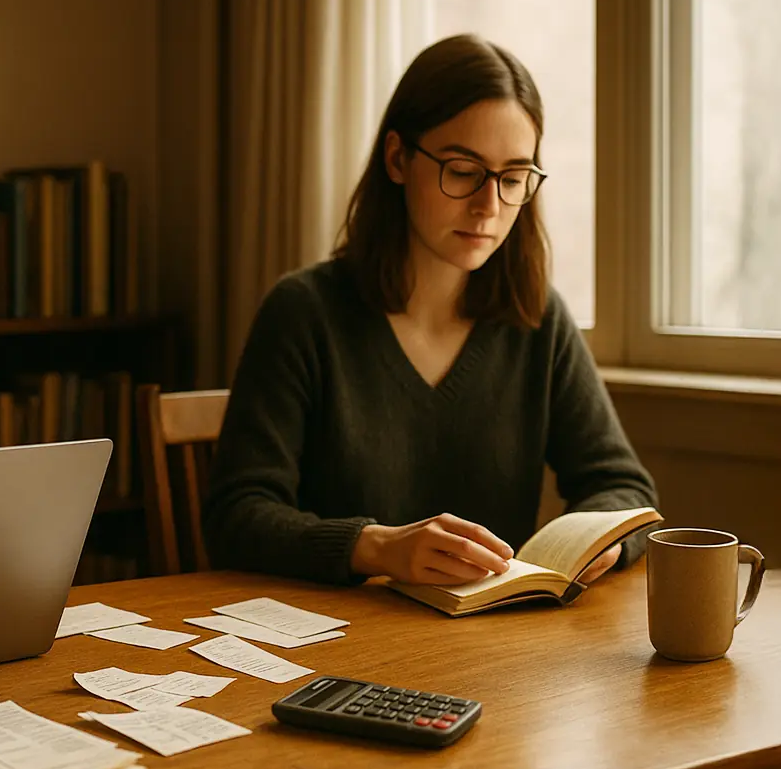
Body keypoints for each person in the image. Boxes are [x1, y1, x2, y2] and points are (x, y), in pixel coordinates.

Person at [203, 33, 656, 590]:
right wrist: (377, 547)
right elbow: (237, 515)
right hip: (330, 648)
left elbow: (624, 487)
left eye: (513, 178)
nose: (489, 206)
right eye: (463, 171)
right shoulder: (304, 313)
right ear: (398, 158)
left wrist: (599, 540)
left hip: (491, 651)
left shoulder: (536, 319)